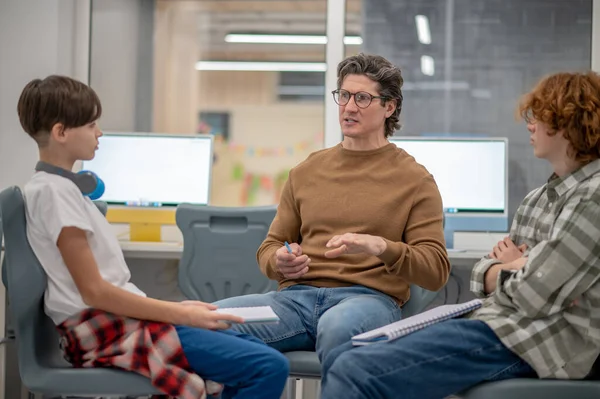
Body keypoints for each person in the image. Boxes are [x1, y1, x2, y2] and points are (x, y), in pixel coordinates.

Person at [319, 70, 600, 399]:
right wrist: (515, 267)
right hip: (495, 322)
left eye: (540, 116)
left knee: (355, 370)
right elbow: (485, 273)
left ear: (570, 123)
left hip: (536, 340)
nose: (530, 125)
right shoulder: (538, 198)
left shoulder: (592, 196)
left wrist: (517, 269)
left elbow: (534, 295)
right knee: (343, 356)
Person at [17, 75, 289, 399]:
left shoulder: (60, 190)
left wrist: (172, 309)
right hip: (104, 328)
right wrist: (179, 313)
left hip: (118, 319)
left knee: (250, 348)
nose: (99, 133)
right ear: (61, 132)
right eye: (91, 125)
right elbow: (94, 292)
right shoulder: (54, 193)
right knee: (268, 366)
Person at [214, 53, 451, 363]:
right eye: (344, 95)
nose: (349, 107)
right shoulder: (307, 171)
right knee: (211, 321)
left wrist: (382, 247)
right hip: (294, 300)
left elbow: (435, 271)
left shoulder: (415, 180)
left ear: (389, 107)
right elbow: (269, 247)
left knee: (337, 326)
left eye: (363, 98)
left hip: (368, 299)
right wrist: (279, 261)